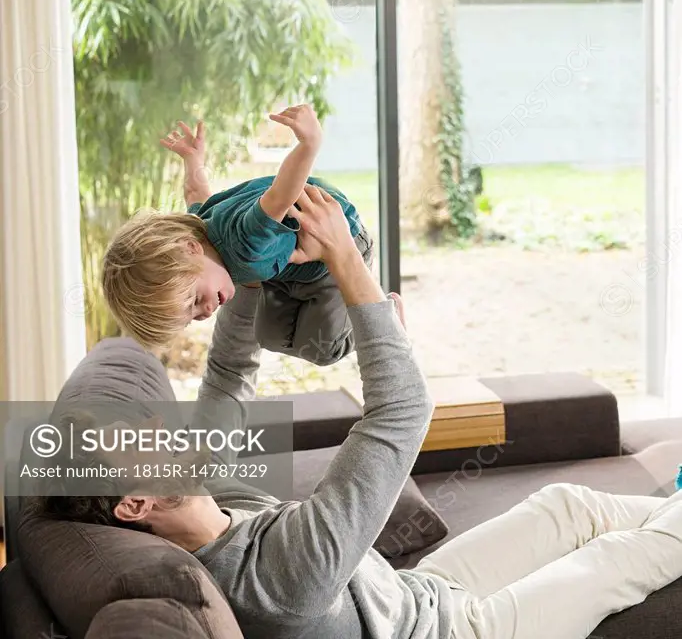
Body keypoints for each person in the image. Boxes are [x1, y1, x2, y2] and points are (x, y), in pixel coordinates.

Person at [39, 186, 682, 639]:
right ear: (134, 506)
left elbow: (230, 373)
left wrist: (244, 265)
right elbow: (402, 414)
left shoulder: (207, 487)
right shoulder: (276, 578)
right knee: (617, 559)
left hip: (413, 592)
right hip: (460, 631)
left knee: (566, 506)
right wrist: (345, 259)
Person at [101, 106, 373, 362]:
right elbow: (195, 192)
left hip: (338, 252)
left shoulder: (246, 245)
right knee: (267, 336)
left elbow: (279, 196)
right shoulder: (203, 226)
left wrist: (309, 146)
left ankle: (381, 315)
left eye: (195, 300)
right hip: (292, 272)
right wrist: (193, 161)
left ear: (190, 249)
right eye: (193, 317)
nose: (206, 312)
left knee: (324, 349)